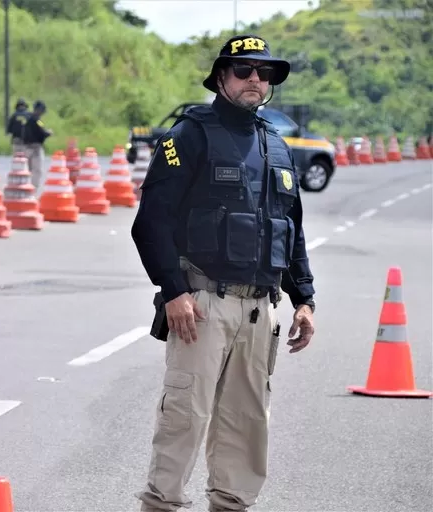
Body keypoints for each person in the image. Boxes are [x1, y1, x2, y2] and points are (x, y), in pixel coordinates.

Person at [131, 35, 316, 512]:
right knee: (185, 418)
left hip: (260, 309)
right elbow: (151, 222)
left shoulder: (276, 145)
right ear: (220, 77)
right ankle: (160, 504)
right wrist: (174, 291)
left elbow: (289, 228)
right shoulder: (187, 137)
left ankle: (230, 505)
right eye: (243, 70)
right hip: (201, 305)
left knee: (247, 421)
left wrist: (304, 299)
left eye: (264, 72)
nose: (255, 79)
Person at [22, 100, 53, 188]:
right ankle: (33, 188)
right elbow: (42, 132)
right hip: (36, 149)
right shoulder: (37, 120)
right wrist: (48, 133)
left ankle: (26, 187)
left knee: (28, 169)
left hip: (27, 147)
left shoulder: (28, 118)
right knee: (37, 170)